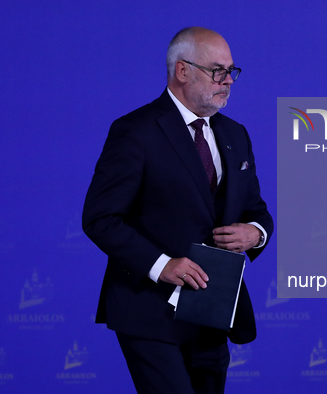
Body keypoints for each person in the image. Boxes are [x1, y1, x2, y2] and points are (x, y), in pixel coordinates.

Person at [82, 26, 273, 394]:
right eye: (217, 70)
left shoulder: (236, 134)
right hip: (149, 310)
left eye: (231, 71)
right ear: (182, 71)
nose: (228, 81)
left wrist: (255, 233)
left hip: (213, 311)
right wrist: (162, 265)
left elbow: (257, 211)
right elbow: (100, 218)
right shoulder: (135, 131)